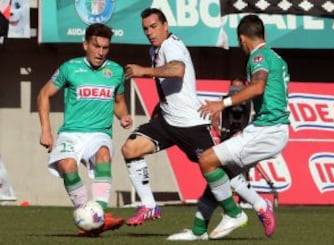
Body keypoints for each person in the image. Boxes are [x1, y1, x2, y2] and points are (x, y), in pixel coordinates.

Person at [122, 8, 247, 233]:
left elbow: (178, 70)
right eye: (145, 29)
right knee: (130, 149)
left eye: (154, 26)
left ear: (165, 25)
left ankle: (254, 205)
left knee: (218, 169)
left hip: (191, 124)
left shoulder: (172, 46)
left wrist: (144, 71)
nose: (150, 32)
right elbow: (171, 87)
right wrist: (160, 108)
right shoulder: (156, 49)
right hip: (168, 122)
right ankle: (149, 205)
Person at [196, 14, 290, 239]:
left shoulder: (258, 57)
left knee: (207, 160)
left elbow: (258, 87)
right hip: (270, 128)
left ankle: (234, 213)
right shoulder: (277, 57)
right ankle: (259, 206)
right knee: (223, 172)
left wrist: (223, 103)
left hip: (268, 129)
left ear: (242, 39)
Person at [37, 23, 132, 237]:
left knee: (103, 155)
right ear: (85, 45)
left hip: (99, 132)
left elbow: (118, 102)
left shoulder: (116, 71)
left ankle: (100, 214)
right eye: (96, 46)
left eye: (105, 48)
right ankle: (87, 218)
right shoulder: (69, 68)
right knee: (67, 165)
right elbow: (43, 94)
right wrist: (46, 131)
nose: (100, 52)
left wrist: (123, 116)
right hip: (71, 132)